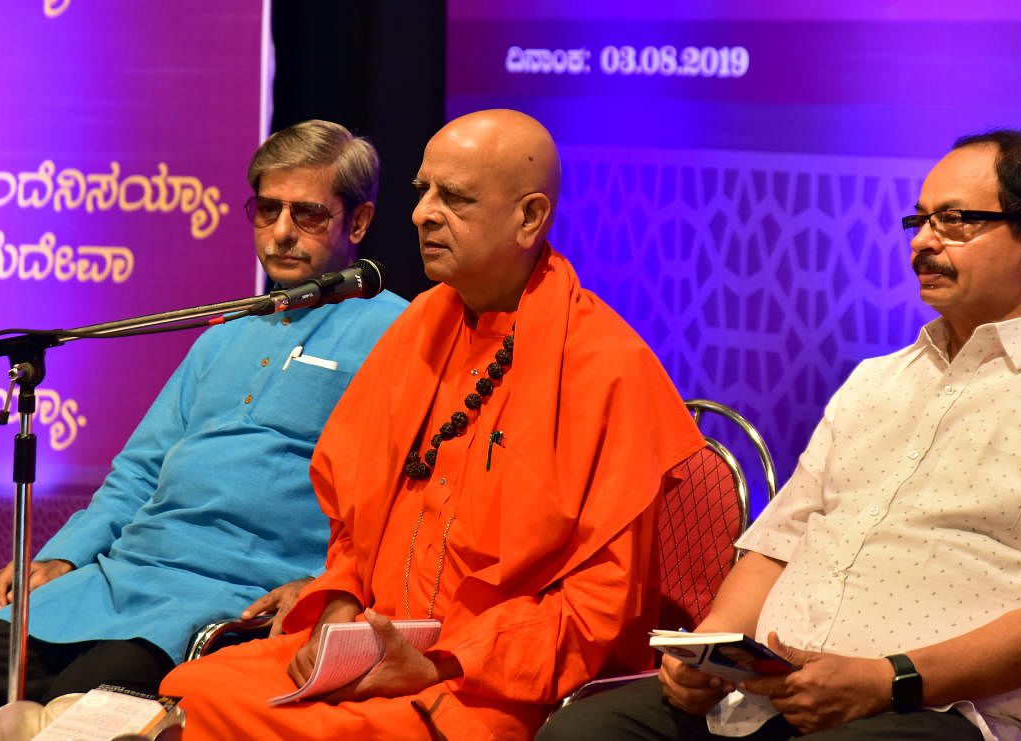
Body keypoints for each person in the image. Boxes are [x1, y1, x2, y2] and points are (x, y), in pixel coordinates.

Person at [537, 130, 1021, 741]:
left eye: (953, 222)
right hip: (766, 693)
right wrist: (709, 651)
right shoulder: (875, 381)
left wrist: (885, 679)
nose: (922, 243)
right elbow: (777, 543)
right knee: (581, 730)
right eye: (920, 220)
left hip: (946, 713)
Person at [160, 109, 705, 740]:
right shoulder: (418, 328)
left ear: (529, 217)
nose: (421, 214)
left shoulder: (608, 368)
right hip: (368, 654)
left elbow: (598, 613)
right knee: (191, 690)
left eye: (456, 198)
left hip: (490, 684)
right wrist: (338, 609)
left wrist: (438, 662)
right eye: (423, 192)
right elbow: (352, 537)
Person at [0, 120, 409, 709]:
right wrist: (63, 553)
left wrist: (328, 588)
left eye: (307, 214)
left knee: (74, 710)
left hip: (227, 599)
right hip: (116, 577)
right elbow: (138, 470)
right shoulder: (226, 330)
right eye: (267, 210)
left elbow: (403, 503)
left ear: (357, 223)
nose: (282, 233)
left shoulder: (398, 334)